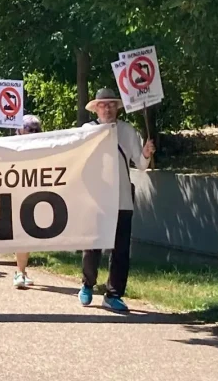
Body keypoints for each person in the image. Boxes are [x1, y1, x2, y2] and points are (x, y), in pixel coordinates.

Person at [79, 88, 154, 311]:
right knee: (92, 245)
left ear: (117, 108)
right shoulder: (86, 131)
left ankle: (113, 294)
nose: (108, 109)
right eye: (103, 105)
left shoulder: (127, 131)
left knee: (120, 249)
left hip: (121, 199)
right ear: (96, 109)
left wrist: (147, 153)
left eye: (112, 104)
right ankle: (87, 284)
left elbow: (140, 164)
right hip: (95, 198)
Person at [13, 114, 43, 289]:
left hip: (36, 195)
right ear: (20, 130)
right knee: (22, 234)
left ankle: (22, 271)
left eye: (36, 129)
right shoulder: (13, 146)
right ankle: (19, 272)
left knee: (29, 234)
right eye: (29, 129)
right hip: (18, 194)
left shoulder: (43, 147)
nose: (33, 132)